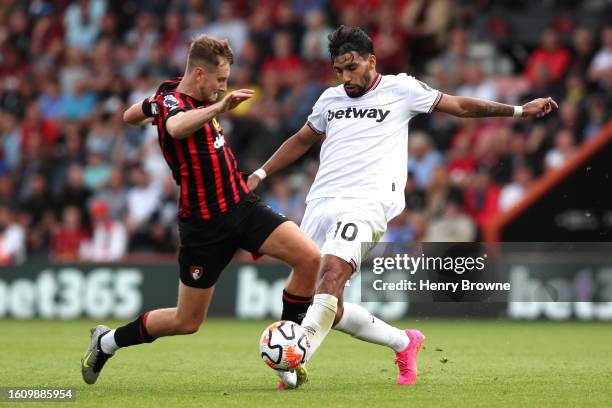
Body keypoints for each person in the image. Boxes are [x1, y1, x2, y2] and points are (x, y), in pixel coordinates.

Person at [248, 26, 558, 388]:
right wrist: (260, 172)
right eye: (339, 70)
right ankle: (404, 342)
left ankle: (296, 364)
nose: (346, 77)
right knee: (325, 302)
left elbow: (459, 105)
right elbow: (302, 140)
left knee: (331, 275)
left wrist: (520, 110)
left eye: (351, 68)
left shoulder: (401, 88)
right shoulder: (330, 100)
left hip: (367, 203)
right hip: (320, 203)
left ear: (371, 61)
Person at [81, 35, 320, 386]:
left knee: (309, 258)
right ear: (198, 73)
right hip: (204, 226)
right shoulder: (173, 104)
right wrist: (219, 108)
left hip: (241, 204)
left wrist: (146, 110)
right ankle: (107, 342)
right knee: (186, 321)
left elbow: (130, 114)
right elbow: (176, 127)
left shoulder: (162, 97)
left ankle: (288, 360)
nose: (223, 87)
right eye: (220, 80)